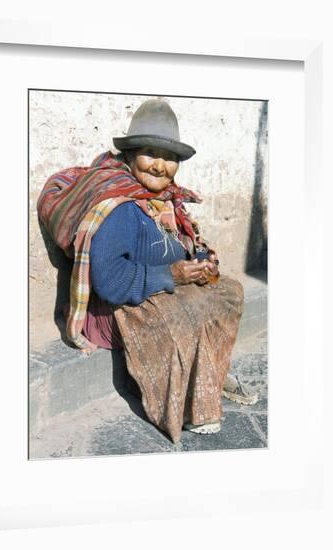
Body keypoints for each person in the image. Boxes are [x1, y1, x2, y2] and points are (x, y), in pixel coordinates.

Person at [38, 99, 257, 443]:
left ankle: (207, 372)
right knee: (183, 309)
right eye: (150, 153)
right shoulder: (120, 206)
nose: (160, 165)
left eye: (169, 157)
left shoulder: (165, 200)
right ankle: (187, 405)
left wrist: (200, 261)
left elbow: (180, 243)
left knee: (227, 291)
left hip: (156, 287)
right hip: (115, 309)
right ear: (130, 155)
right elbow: (110, 282)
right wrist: (174, 276)